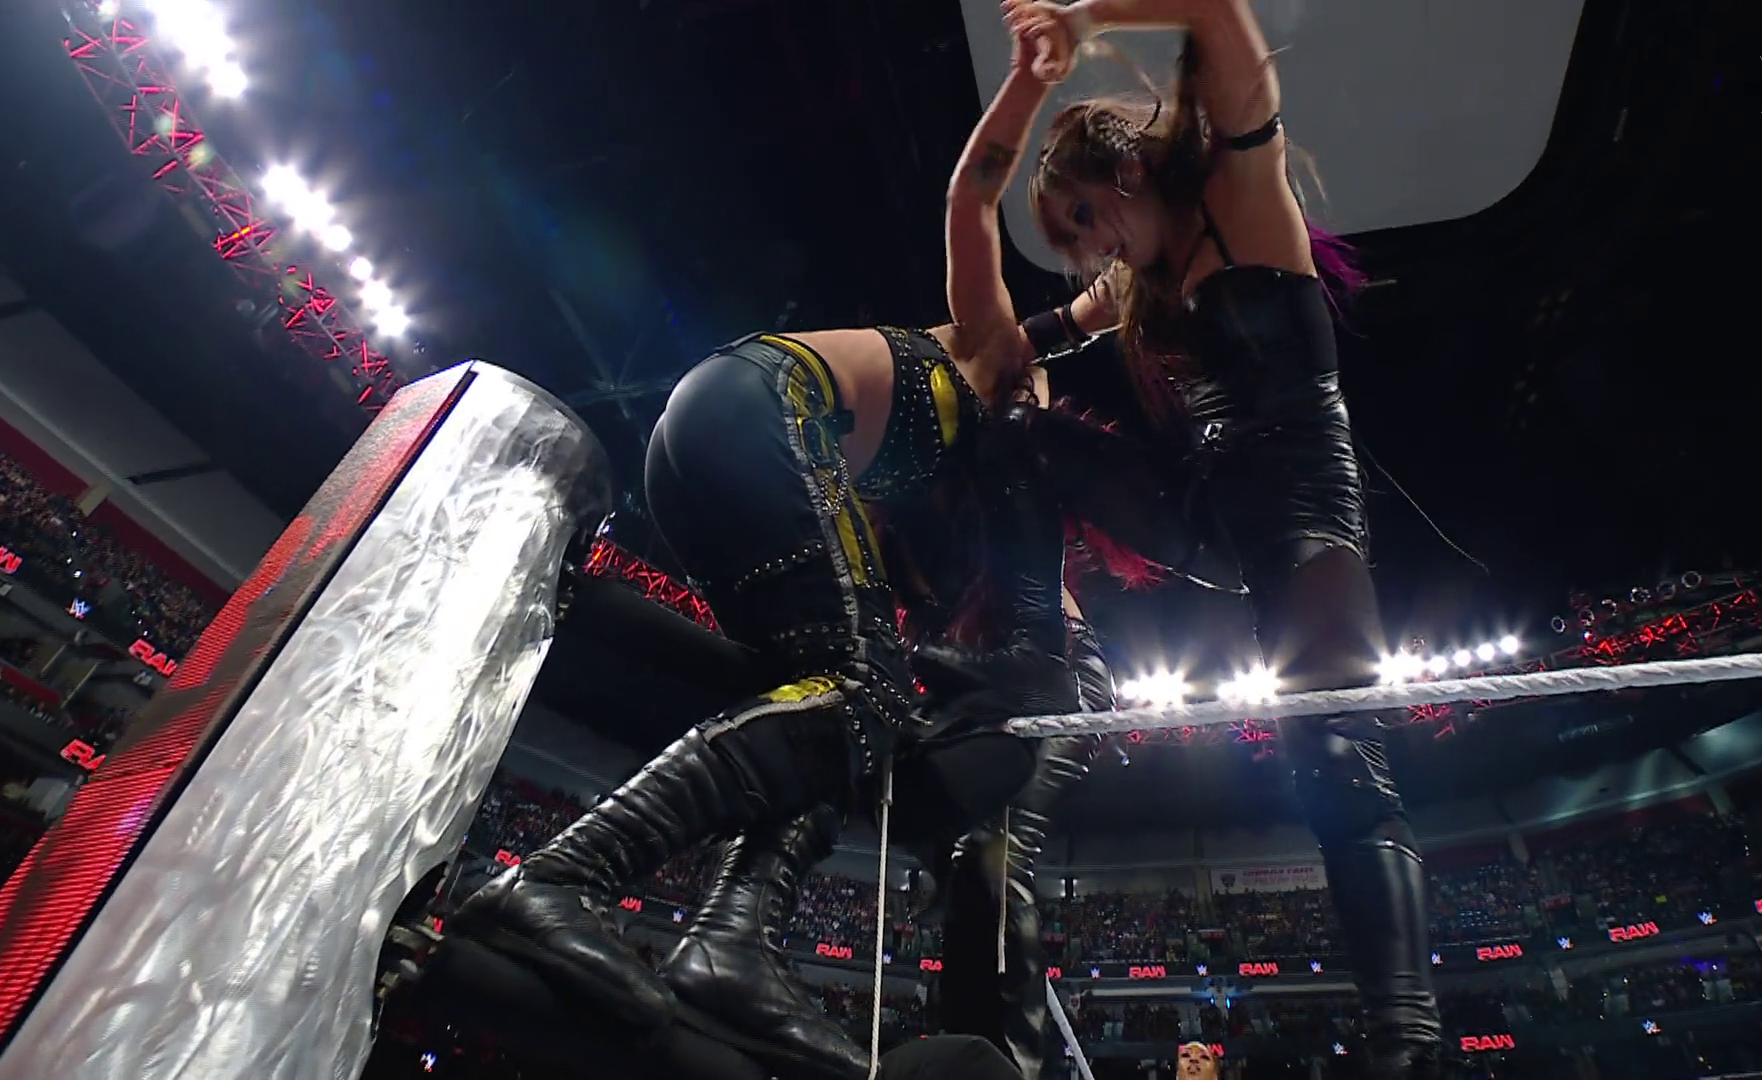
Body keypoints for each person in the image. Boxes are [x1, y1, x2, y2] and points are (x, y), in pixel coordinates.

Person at [448, 28, 1094, 1080]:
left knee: (839, 706)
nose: (1037, 410)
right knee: (864, 691)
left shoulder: (917, 491)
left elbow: (933, 622)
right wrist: (1028, 84)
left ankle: (733, 942)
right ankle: (558, 879)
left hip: (720, 449)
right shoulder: (991, 349)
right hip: (756, 408)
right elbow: (973, 196)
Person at [990, 1, 1443, 1075]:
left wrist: (1079, 18)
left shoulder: (1242, 192)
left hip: (1303, 516)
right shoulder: (1134, 276)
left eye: (1085, 220)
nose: (1091, 252)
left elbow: (1216, 11)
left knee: (1334, 755)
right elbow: (1039, 333)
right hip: (1203, 511)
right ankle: (1034, 650)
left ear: (1126, 177)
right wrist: (949, 353)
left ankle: (1408, 1042)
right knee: (1011, 421)